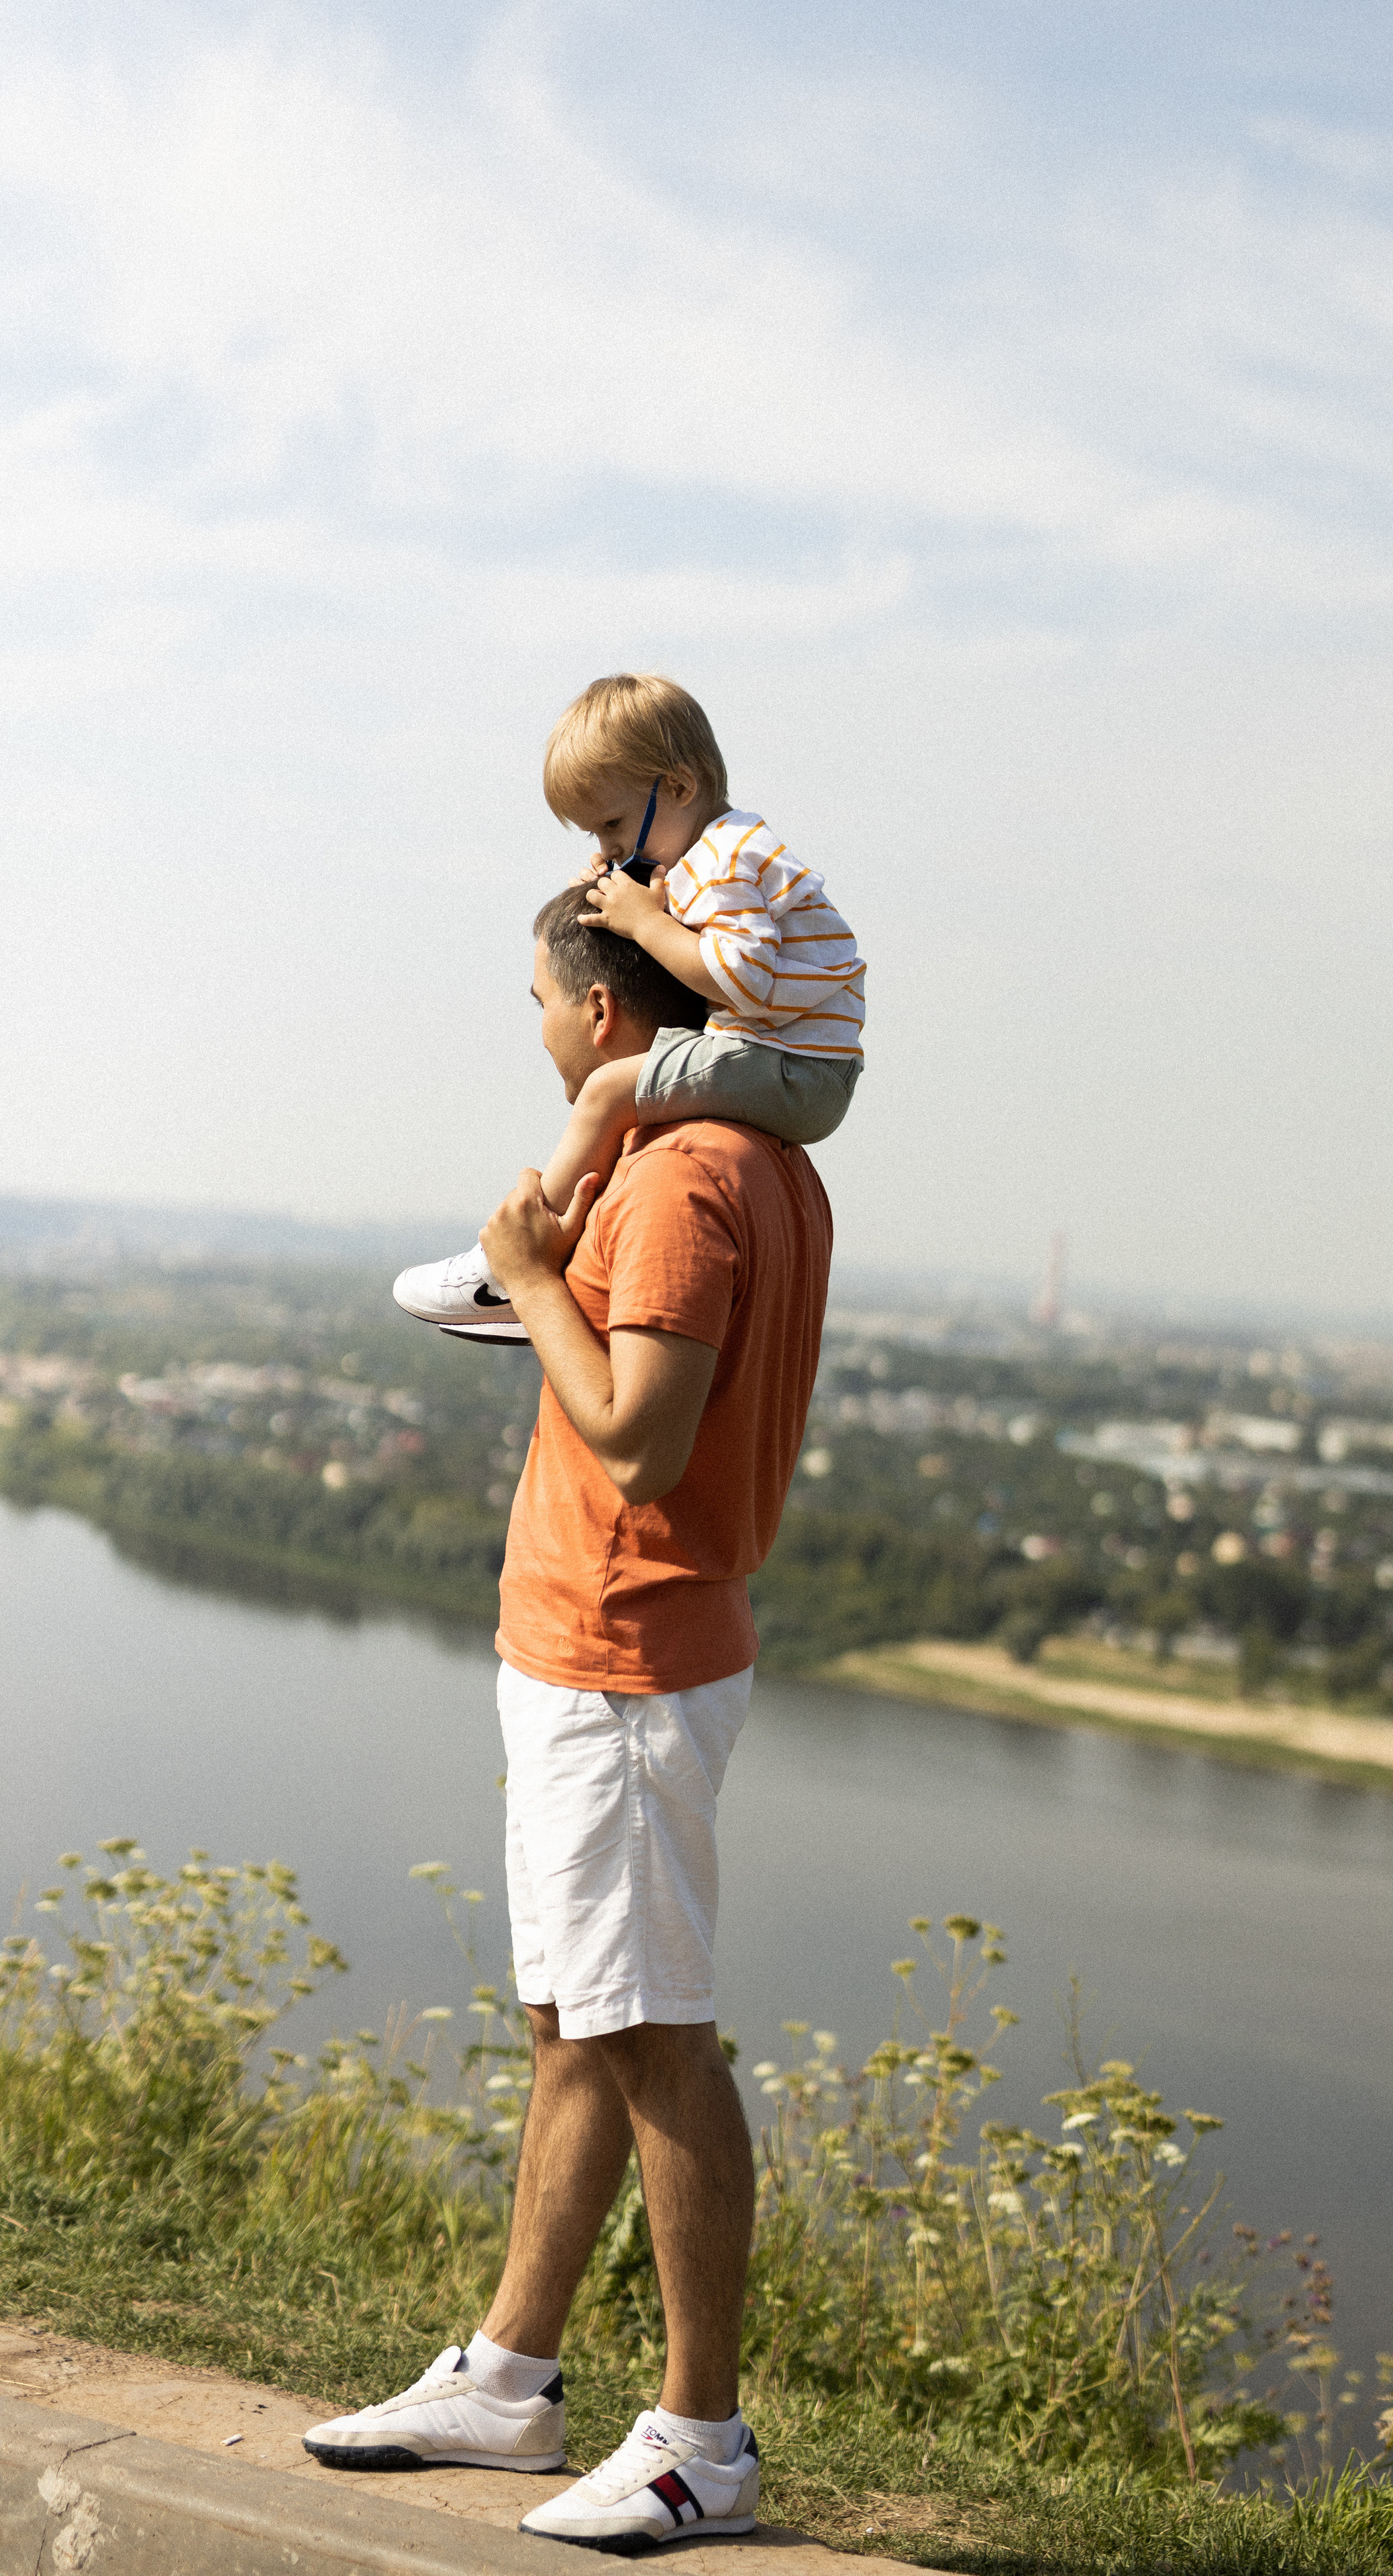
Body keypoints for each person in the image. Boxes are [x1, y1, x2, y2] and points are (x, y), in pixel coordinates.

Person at [303, 898, 834, 2551]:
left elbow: (636, 1439)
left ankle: (700, 2439)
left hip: (626, 1654)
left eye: (540, 1001)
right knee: (579, 2024)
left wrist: (529, 1272)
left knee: (657, 2032)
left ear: (604, 1013)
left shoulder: (687, 1180)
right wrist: (534, 1265)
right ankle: (510, 2380)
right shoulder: (706, 1151)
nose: (533, 1027)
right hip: (584, 1650)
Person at [392, 672, 863, 1342]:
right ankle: (579, 1259)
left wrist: (644, 923)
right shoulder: (717, 851)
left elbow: (744, 979)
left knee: (611, 1090)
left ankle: (515, 1267)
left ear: (677, 786)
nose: (610, 849)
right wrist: (625, 886)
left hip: (793, 1066)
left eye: (613, 825)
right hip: (799, 1062)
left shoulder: (726, 861)